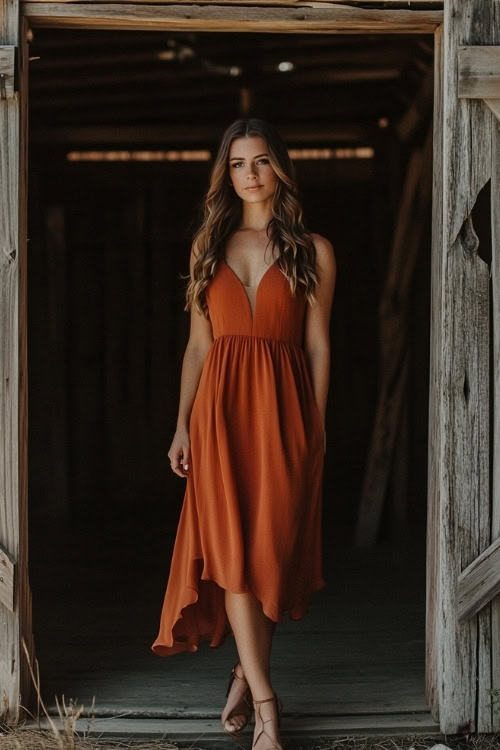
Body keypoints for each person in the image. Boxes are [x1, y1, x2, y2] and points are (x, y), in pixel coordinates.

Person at [151, 117, 336, 750]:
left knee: (269, 563)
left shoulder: (314, 250)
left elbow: (316, 346)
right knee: (231, 560)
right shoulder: (208, 247)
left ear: (278, 167)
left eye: (259, 161)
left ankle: (242, 669)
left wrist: (315, 428)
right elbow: (198, 347)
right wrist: (180, 425)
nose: (249, 174)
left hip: (285, 418)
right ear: (225, 174)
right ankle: (266, 705)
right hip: (220, 416)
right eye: (237, 164)